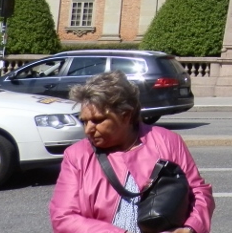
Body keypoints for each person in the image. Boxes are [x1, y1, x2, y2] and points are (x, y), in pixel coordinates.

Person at [50, 70, 214, 233]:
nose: (88, 130)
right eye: (84, 122)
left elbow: (199, 192)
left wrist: (190, 228)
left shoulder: (167, 141)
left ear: (126, 115)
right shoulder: (77, 155)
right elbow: (63, 217)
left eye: (98, 120)